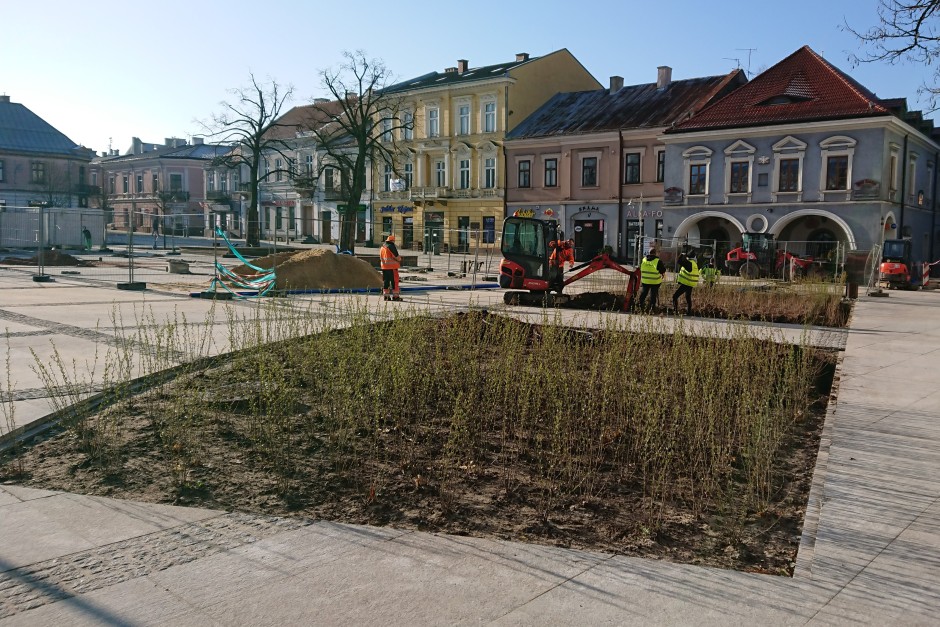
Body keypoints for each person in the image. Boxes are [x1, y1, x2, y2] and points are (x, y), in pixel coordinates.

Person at [637, 246, 666, 313]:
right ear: (655, 253)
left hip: (645, 281)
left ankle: (640, 306)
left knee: (644, 293)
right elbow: (663, 270)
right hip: (655, 282)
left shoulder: (644, 260)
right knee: (653, 295)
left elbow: (641, 268)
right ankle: (652, 309)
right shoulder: (658, 261)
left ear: (649, 253)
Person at [672, 250, 700, 315]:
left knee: (675, 296)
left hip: (687, 283)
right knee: (688, 297)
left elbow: (679, 261)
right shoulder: (694, 263)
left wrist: (682, 255)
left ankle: (675, 311)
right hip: (691, 283)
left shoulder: (689, 263)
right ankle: (689, 312)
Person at [379, 234, 403, 301]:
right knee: (395, 282)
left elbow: (381, 257)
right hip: (392, 267)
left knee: (386, 281)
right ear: (392, 241)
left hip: (384, 267)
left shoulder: (382, 247)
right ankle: (395, 296)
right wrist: (399, 259)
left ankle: (386, 296)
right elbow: (397, 257)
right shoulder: (391, 246)